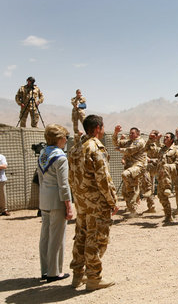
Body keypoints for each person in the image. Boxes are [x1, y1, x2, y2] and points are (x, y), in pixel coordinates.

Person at [69, 114, 118, 290]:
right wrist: (112, 201)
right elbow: (103, 179)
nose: (103, 131)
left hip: (82, 202)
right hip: (96, 203)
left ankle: (77, 275)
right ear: (97, 128)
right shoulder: (95, 148)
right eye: (103, 127)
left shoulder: (76, 148)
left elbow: (71, 177)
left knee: (81, 236)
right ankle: (93, 278)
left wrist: (78, 198)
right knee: (96, 238)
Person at [37, 124, 73, 282]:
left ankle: (45, 270)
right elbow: (64, 185)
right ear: (59, 139)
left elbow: (40, 179)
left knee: (45, 236)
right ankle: (54, 272)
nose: (66, 140)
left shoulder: (43, 154)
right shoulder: (60, 157)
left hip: (44, 199)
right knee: (57, 237)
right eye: (65, 137)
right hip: (57, 200)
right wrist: (68, 206)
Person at [112, 125, 147, 218]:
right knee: (125, 191)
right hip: (130, 167)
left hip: (139, 166)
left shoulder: (140, 142)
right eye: (130, 133)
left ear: (137, 134)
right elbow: (116, 143)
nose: (130, 135)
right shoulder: (129, 141)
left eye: (132, 133)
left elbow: (130, 150)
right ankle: (132, 210)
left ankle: (133, 194)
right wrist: (116, 133)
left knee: (125, 175)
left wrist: (120, 149)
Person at [153, 132, 178, 222]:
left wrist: (170, 166)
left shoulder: (175, 149)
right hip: (162, 175)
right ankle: (168, 216)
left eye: (167, 137)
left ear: (172, 139)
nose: (164, 138)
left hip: (172, 171)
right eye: (164, 137)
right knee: (161, 195)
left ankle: (168, 187)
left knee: (165, 166)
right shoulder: (162, 149)